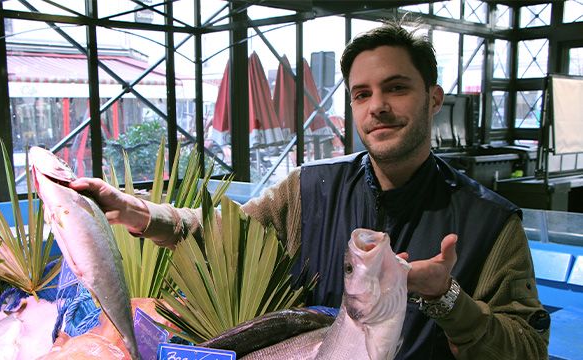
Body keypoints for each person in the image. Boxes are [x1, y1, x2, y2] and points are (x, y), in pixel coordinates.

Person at [70, 18, 550, 359]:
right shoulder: (310, 188)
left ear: (434, 97)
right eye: (362, 94)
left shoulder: (490, 222)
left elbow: (528, 349)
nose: (376, 106)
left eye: (396, 88)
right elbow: (220, 233)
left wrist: (447, 297)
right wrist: (133, 211)